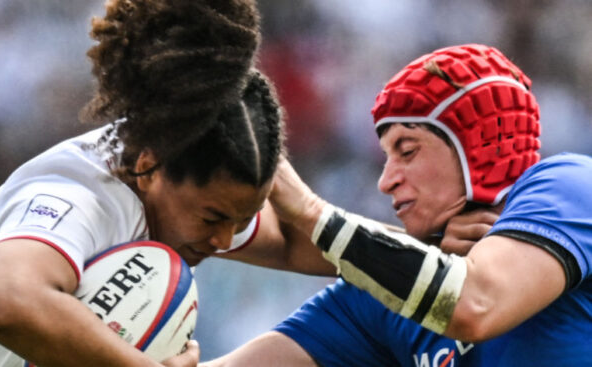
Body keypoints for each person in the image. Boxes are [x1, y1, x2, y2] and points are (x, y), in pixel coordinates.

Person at [0, 0, 341, 367]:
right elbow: (6, 302)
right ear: (149, 166)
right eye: (214, 218)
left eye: (239, 222)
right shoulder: (75, 197)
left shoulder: (172, 192)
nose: (225, 240)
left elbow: (298, 240)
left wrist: (404, 245)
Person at [203, 44, 592, 366]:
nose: (385, 180)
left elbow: (475, 303)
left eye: (407, 150)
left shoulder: (570, 186)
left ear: (479, 144)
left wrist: (308, 208)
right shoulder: (383, 291)